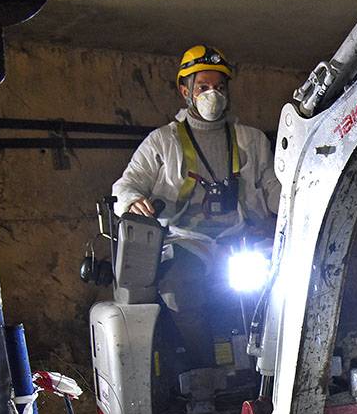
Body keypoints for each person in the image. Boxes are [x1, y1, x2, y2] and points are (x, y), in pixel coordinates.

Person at [112, 45, 281, 367]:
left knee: (283, 287)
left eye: (219, 87)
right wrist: (134, 201)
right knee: (180, 287)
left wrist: (293, 204)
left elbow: (272, 185)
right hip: (187, 239)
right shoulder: (163, 140)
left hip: (240, 238)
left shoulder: (251, 139)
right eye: (203, 87)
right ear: (184, 90)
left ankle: (269, 369)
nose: (212, 94)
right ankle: (204, 368)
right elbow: (127, 183)